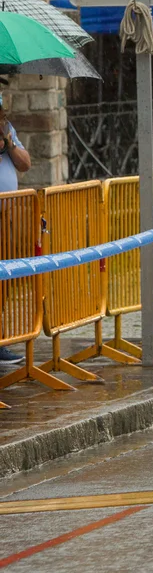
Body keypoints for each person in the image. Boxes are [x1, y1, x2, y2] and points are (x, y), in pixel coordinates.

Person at [0, 90, 30, 366]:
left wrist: (8, 144)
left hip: (6, 214)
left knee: (4, 277)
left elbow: (25, 163)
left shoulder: (7, 130)